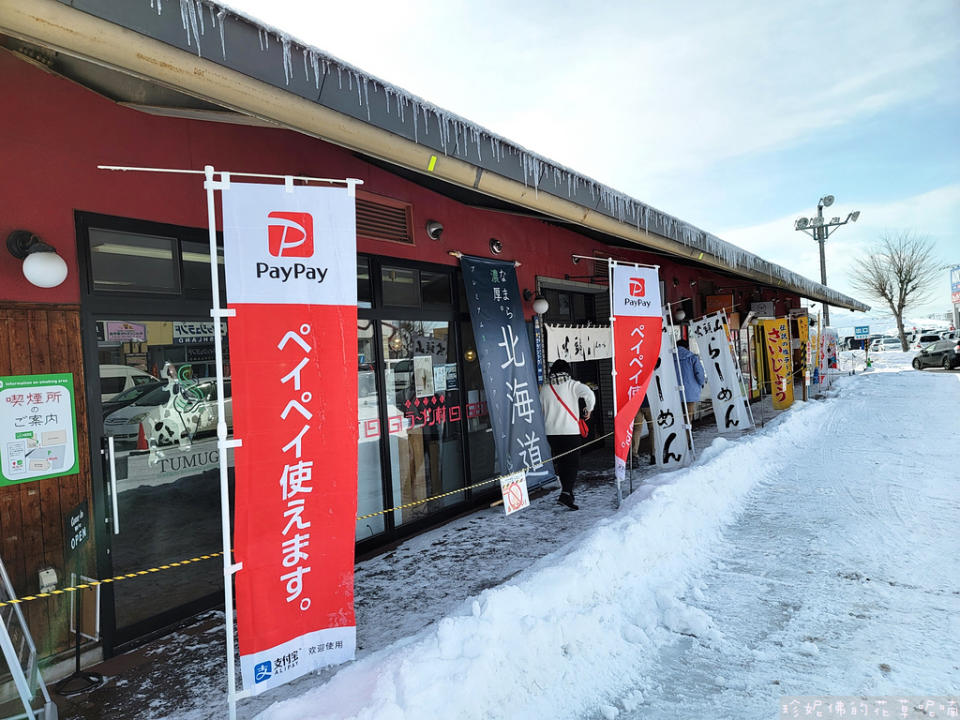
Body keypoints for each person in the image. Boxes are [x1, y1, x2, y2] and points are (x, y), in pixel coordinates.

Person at [540, 359, 595, 511]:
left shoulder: (545, 388)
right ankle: (565, 494)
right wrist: (588, 409)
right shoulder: (572, 385)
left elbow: (541, 410)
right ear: (567, 371)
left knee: (562, 463)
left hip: (551, 433)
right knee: (572, 463)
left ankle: (567, 494)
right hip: (570, 432)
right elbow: (589, 394)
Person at [675, 338, 706, 422]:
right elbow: (699, 373)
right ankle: (688, 433)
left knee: (678, 416)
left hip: (675, 392)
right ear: (687, 347)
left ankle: (681, 434)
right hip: (690, 391)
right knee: (688, 416)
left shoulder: (671, 358)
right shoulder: (693, 357)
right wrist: (701, 382)